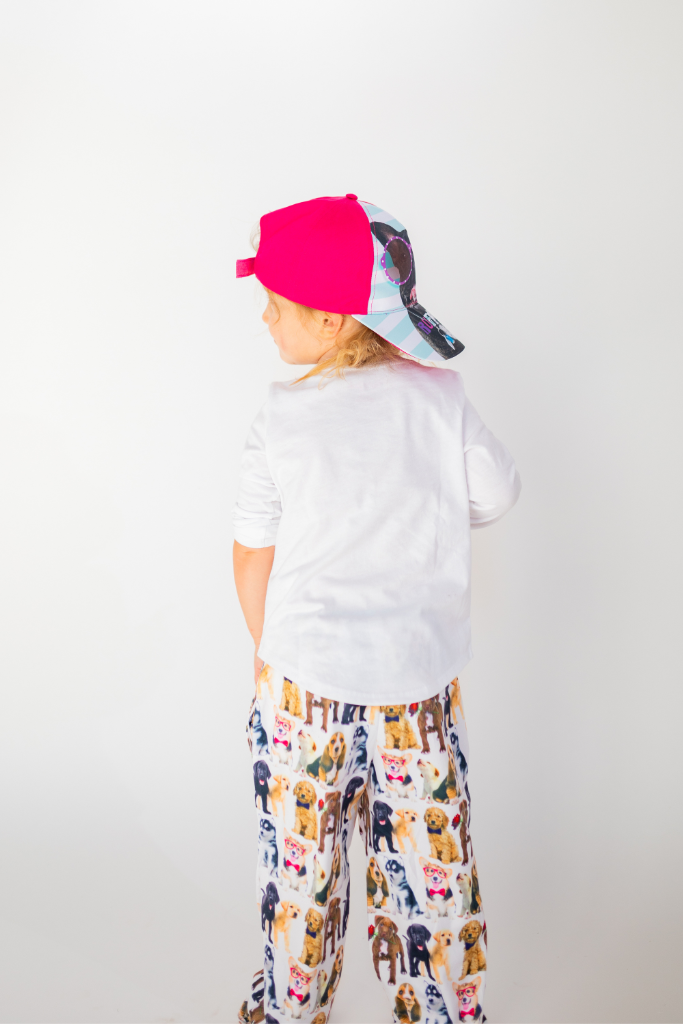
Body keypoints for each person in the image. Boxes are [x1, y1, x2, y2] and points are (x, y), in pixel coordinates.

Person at [233, 194, 520, 1024]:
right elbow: (497, 493)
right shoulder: (438, 399)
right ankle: (438, 1009)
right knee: (431, 890)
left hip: (299, 694)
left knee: (299, 883)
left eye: (276, 305)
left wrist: (267, 649)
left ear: (330, 323)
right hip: (415, 698)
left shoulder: (278, 417)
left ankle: (291, 1010)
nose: (263, 316)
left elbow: (252, 551)